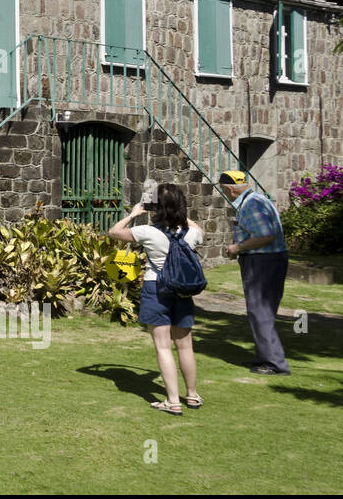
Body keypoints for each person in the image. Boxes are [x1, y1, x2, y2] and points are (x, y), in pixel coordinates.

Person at [109, 184, 205, 414]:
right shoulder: (192, 233)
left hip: (157, 288)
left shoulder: (148, 232)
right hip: (182, 290)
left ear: (156, 208)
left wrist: (134, 214)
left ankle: (173, 401)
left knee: (163, 346)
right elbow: (200, 230)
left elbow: (114, 232)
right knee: (185, 345)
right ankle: (192, 395)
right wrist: (179, 213)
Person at [220, 170, 291, 375]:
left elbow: (265, 235)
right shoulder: (259, 198)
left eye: (224, 190)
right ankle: (263, 357)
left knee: (260, 311)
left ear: (230, 189)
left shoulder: (250, 205)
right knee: (260, 311)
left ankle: (274, 364)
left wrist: (237, 248)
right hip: (271, 259)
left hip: (262, 261)